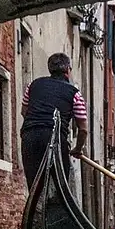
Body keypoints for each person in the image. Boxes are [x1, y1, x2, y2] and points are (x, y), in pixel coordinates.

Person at [20, 53, 88, 188]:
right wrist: (78, 149)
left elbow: (24, 112)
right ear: (68, 70)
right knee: (60, 186)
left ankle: (34, 207)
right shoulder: (74, 93)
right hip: (55, 138)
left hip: (29, 136)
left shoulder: (33, 85)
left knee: (34, 187)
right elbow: (83, 129)